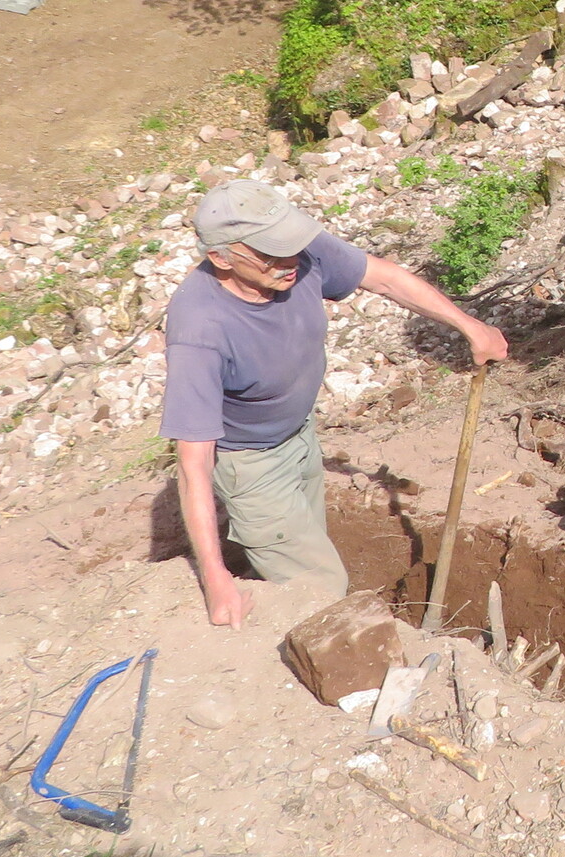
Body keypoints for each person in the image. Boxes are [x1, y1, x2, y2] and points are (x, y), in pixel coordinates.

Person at [161, 178, 508, 627]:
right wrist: (215, 579)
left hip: (300, 434)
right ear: (221, 257)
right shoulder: (201, 329)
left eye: (289, 244)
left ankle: (273, 585)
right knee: (323, 589)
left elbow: (384, 278)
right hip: (251, 465)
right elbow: (193, 463)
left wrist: (470, 326)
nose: (290, 261)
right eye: (270, 254)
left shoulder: (295, 251)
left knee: (302, 556)